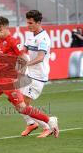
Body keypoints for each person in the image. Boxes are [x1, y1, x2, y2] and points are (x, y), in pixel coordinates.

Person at [0, 16, 59, 143]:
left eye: (0, 30)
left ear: (6, 27)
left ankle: (49, 120)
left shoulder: (13, 41)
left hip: (9, 81)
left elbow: (24, 57)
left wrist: (20, 72)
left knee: (22, 108)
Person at [19, 10, 56, 138]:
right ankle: (31, 123)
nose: (28, 25)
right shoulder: (30, 36)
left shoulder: (44, 38)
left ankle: (47, 126)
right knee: (15, 99)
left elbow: (40, 57)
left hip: (38, 77)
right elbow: (24, 51)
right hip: (29, 74)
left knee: (22, 105)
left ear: (39, 22)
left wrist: (26, 64)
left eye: (31, 23)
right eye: (27, 22)